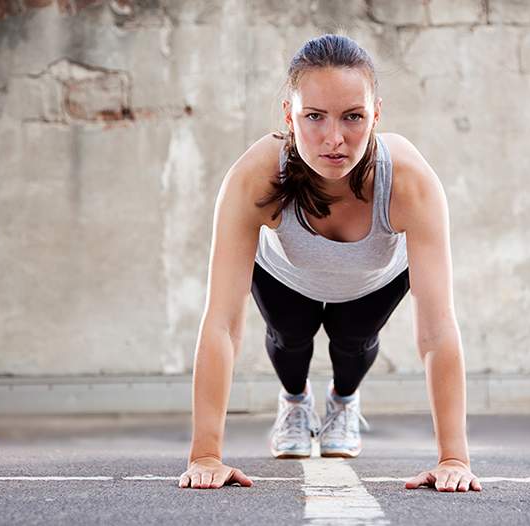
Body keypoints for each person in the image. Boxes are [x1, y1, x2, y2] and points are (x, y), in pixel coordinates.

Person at [178, 34, 481, 493]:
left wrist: (454, 459)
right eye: (314, 117)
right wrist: (205, 455)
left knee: (353, 344)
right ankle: (296, 403)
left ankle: (343, 402)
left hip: (372, 278)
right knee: (289, 339)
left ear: (376, 114)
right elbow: (221, 322)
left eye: (353, 117)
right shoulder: (255, 175)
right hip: (286, 274)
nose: (334, 139)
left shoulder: (410, 182)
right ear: (289, 116)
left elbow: (437, 330)